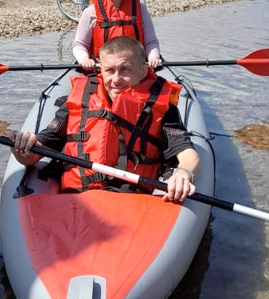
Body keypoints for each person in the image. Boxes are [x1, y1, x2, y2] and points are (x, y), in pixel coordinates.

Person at [10, 36, 199, 204]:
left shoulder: (163, 108)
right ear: (101, 70)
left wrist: (184, 173)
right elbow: (41, 147)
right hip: (76, 197)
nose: (116, 80)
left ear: (143, 71)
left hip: (133, 200)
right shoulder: (79, 100)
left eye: (125, 70)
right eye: (109, 70)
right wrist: (24, 151)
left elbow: (187, 154)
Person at [73, 0, 162, 72]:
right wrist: (84, 59)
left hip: (134, 68)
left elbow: (151, 42)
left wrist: (153, 57)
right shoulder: (90, 12)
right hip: (103, 69)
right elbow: (79, 44)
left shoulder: (140, 9)